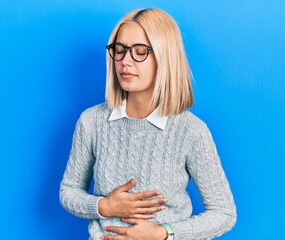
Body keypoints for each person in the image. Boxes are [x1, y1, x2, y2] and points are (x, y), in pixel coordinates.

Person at [59, 8, 237, 240]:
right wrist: (103, 206)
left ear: (165, 57)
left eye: (140, 52)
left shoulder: (191, 131)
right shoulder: (91, 122)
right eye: (119, 50)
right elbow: (68, 192)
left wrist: (164, 233)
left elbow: (224, 213)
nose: (125, 61)